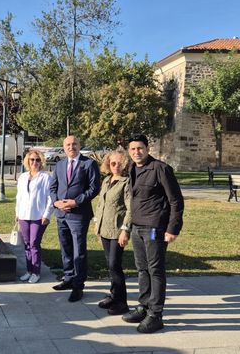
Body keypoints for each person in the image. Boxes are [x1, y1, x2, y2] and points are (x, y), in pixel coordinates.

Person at [122, 134, 184, 334]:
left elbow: (176, 201)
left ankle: (156, 315)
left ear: (147, 149)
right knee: (142, 269)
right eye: (132, 149)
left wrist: (172, 228)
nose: (136, 152)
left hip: (154, 228)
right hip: (137, 227)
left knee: (155, 270)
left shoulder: (160, 169)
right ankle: (144, 306)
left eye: (140, 148)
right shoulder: (132, 169)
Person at [49, 136, 101, 302]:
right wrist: (56, 202)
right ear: (64, 147)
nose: (71, 147)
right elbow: (53, 187)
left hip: (78, 215)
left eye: (74, 144)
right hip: (61, 214)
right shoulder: (60, 164)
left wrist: (75, 201)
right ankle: (69, 278)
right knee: (66, 248)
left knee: (79, 251)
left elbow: (94, 188)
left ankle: (78, 286)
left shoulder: (89, 164)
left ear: (80, 146)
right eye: (68, 145)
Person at [94, 150, 132, 316]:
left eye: (119, 163)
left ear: (124, 164)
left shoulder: (126, 182)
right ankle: (113, 296)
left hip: (117, 231)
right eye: (113, 163)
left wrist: (125, 230)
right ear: (108, 164)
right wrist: (97, 224)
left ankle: (122, 302)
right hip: (104, 229)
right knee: (110, 265)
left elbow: (131, 209)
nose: (116, 166)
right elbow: (100, 204)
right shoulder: (107, 181)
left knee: (114, 265)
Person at [15, 149, 53, 284]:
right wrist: (17, 213)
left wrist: (47, 214)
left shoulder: (46, 177)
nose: (35, 162)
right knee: (26, 244)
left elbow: (50, 198)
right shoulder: (23, 177)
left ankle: (36, 272)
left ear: (41, 161)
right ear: (27, 161)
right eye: (32, 160)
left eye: (37, 160)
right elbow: (19, 196)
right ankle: (29, 270)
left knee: (34, 244)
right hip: (24, 215)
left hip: (38, 216)